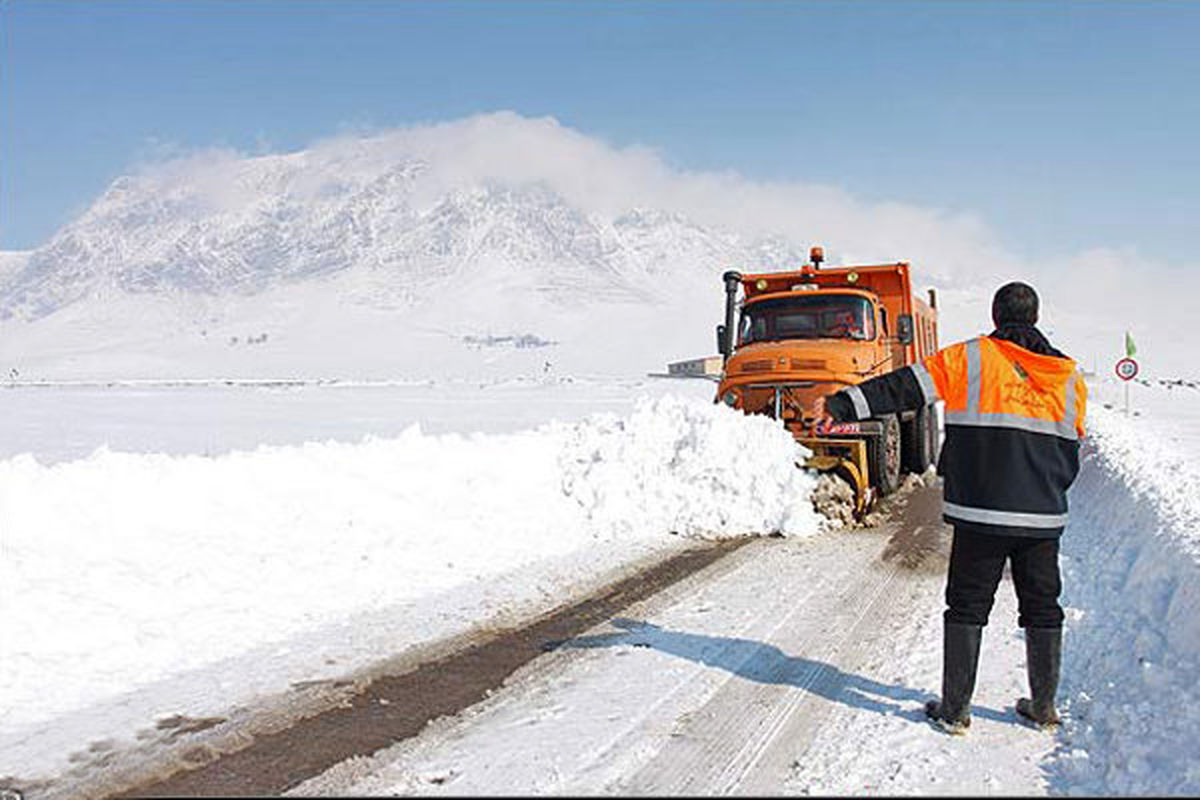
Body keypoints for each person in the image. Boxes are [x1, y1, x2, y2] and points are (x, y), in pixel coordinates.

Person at [813, 282, 1087, 735]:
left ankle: (955, 711)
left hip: (982, 511)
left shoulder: (971, 359)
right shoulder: (1069, 375)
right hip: (1042, 516)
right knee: (1043, 607)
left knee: (966, 606)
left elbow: (904, 388)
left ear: (996, 316)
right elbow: (1070, 442)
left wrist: (844, 403)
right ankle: (1043, 709)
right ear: (1035, 318)